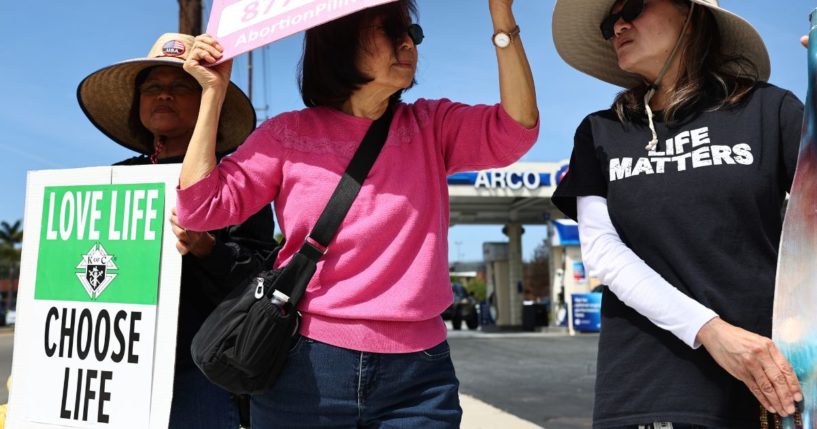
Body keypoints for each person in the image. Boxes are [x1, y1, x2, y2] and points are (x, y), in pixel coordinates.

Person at [176, 0, 539, 427]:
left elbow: (516, 130)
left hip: (419, 378)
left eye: (413, 33)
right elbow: (200, 208)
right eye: (390, 30)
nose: (408, 42)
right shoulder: (287, 134)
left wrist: (501, 18)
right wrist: (212, 92)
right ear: (340, 41)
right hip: (305, 366)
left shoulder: (431, 124)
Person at [550, 0, 805, 427]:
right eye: (608, 22)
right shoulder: (601, 130)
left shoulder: (770, 110)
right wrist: (710, 331)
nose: (618, 25)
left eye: (632, 6)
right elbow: (602, 254)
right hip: (646, 389)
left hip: (764, 387)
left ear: (691, 15)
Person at [77, 33, 277, 429]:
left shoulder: (238, 181)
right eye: (153, 87)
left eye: (180, 87)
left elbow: (261, 278)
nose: (163, 96)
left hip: (199, 373)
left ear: (207, 99)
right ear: (138, 104)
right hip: (119, 370)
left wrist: (207, 249)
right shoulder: (116, 179)